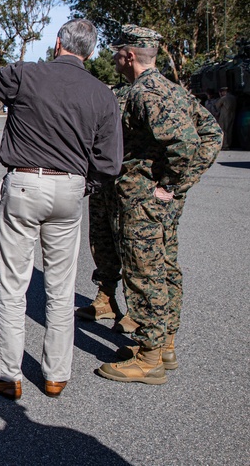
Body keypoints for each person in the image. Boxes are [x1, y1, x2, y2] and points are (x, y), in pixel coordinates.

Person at [0, 19, 123, 400]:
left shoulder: (28, 74)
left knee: (13, 284)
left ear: (57, 43)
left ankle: (8, 374)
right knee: (60, 287)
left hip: (25, 182)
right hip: (70, 188)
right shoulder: (103, 94)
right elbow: (110, 161)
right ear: (89, 52)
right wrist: (84, 185)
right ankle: (56, 374)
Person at [97, 25, 221, 384]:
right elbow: (212, 133)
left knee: (143, 273)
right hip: (157, 201)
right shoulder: (172, 89)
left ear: (130, 56)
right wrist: (178, 190)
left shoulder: (146, 93)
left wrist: (170, 186)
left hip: (142, 200)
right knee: (165, 267)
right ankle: (165, 343)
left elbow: (185, 145)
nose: (115, 57)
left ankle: (148, 357)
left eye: (118, 51)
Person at [75, 84, 138, 333]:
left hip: (134, 189)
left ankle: (139, 312)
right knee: (101, 243)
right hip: (103, 184)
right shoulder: (111, 93)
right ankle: (106, 298)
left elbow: (208, 134)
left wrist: (172, 183)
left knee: (135, 251)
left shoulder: (151, 94)